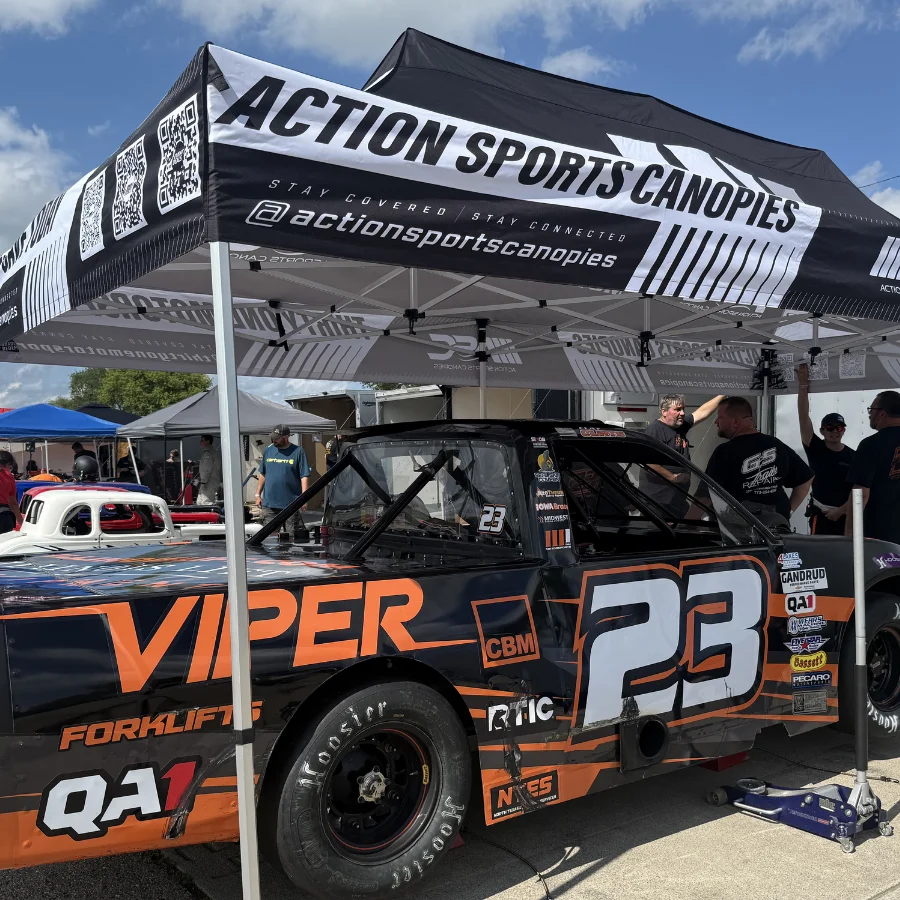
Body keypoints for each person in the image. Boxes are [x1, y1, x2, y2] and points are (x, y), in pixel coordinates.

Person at [704, 396, 814, 522]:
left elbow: (705, 494)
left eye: (720, 417)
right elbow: (806, 479)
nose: (716, 422)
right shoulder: (776, 444)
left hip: (740, 531)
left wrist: (688, 523)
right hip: (776, 530)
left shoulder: (725, 451)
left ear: (735, 422)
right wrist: (787, 512)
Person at [641, 393, 725, 518]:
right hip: (658, 503)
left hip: (676, 501)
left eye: (683, 409)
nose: (682, 413)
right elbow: (647, 460)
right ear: (664, 412)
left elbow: (702, 412)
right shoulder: (655, 430)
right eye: (677, 410)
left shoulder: (680, 426)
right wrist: (673, 477)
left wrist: (722, 395)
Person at [796, 363, 855, 534]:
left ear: (843, 430)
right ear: (822, 431)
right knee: (819, 557)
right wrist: (803, 385)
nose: (834, 432)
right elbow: (803, 416)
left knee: (847, 558)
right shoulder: (815, 447)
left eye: (839, 428)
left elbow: (859, 490)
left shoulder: (853, 456)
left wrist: (841, 511)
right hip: (821, 516)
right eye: (830, 428)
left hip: (846, 517)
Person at [845, 390, 900, 541]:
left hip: (880, 536)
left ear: (882, 414)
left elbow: (861, 494)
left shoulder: (871, 445)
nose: (869, 414)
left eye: (871, 409)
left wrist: (850, 535)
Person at [256, 425, 310, 533]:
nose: (274, 440)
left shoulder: (298, 452)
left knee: (291, 539)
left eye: (277, 438)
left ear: (286, 437)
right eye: (273, 438)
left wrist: (304, 499)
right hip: (270, 505)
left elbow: (304, 476)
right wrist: (258, 494)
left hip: (291, 504)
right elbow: (263, 473)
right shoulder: (268, 450)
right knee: (269, 540)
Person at [0, 450, 24, 533]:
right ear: (8, 464)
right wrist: (21, 524)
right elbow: (13, 503)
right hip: (4, 517)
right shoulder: (9, 476)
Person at [197, 434, 222, 505]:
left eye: (202, 440)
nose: (200, 442)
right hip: (209, 481)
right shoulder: (212, 452)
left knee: (206, 502)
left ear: (208, 441)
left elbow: (206, 469)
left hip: (208, 482)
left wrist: (203, 482)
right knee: (200, 502)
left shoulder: (208, 453)